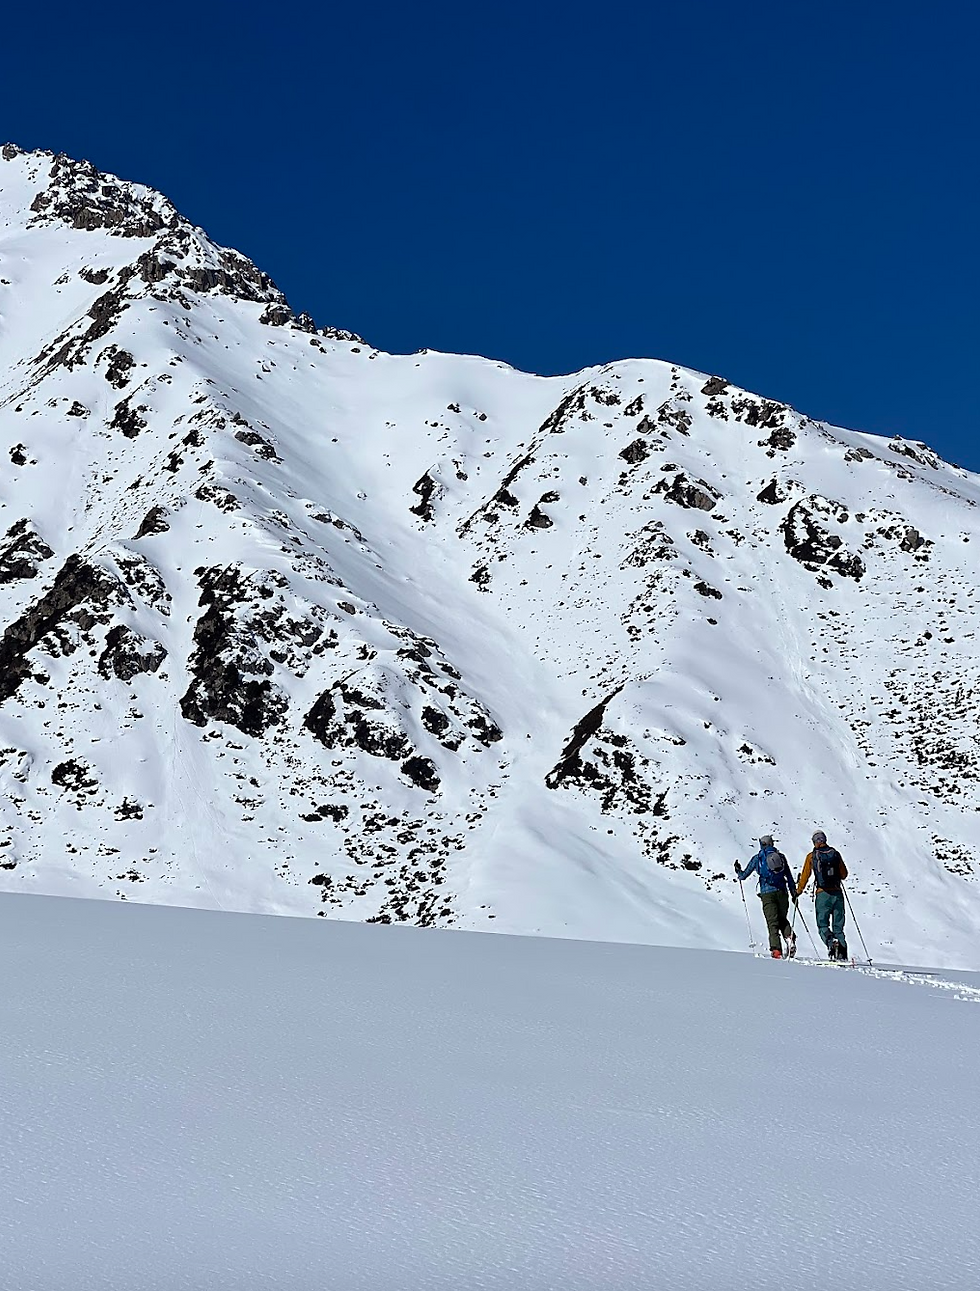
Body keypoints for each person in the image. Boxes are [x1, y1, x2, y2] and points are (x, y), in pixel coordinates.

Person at [735, 835, 797, 959]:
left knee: (772, 922)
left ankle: (776, 950)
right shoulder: (781, 857)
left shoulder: (758, 858)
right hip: (782, 892)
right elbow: (789, 876)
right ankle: (789, 938)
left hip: (767, 893)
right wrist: (793, 892)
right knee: (782, 919)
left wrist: (738, 871)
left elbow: (744, 875)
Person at [796, 830, 848, 960]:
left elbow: (805, 876)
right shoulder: (835, 854)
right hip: (837, 893)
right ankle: (842, 952)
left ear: (814, 842)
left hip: (822, 894)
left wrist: (798, 891)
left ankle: (831, 944)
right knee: (838, 927)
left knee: (823, 925)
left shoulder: (812, 856)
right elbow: (844, 874)